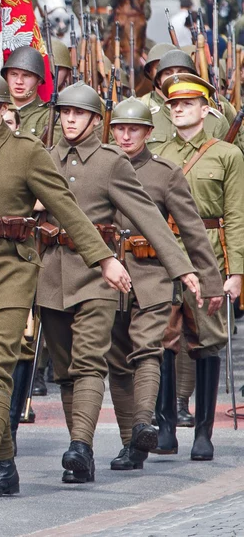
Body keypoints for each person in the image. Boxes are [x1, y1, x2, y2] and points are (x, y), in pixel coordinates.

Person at [0, 70, 130, 501]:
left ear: (4, 108)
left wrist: (104, 259)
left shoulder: (27, 152)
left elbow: (67, 209)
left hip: (10, 273)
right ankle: (5, 463)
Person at [36, 83, 195, 484]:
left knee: (90, 362)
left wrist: (181, 267)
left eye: (78, 113)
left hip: (95, 276)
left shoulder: (110, 162)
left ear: (93, 120)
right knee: (65, 370)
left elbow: (147, 215)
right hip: (51, 274)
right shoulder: (44, 157)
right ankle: (81, 453)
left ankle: (81, 446)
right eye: (65, 113)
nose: (69, 120)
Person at [106, 98, 219, 471]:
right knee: (116, 361)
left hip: (151, 275)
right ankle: (131, 441)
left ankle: (148, 425)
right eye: (119, 128)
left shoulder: (165, 172)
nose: (124, 135)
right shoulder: (101, 166)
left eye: (133, 129)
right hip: (107, 278)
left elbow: (192, 231)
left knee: (146, 351)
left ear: (148, 133)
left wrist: (210, 280)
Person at [151, 72, 244, 461]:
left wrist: (236, 271)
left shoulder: (228, 156)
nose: (179, 109)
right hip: (162, 254)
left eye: (187, 103)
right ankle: (166, 427)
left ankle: (203, 433)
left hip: (208, 254)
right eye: (173, 104)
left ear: (206, 109)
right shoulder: (157, 156)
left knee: (206, 341)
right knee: (162, 340)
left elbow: (235, 215)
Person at [1, 46, 51, 139]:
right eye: (14, 74)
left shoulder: (49, 117)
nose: (19, 81)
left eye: (27, 75)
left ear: (39, 80)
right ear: (6, 76)